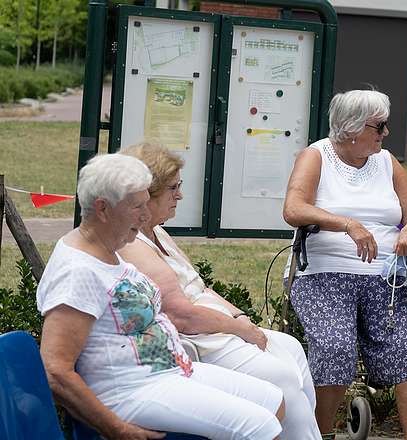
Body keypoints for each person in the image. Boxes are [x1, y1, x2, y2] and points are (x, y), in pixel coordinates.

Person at [37, 153, 285, 440]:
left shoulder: (108, 249)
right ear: (103, 209)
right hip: (128, 391)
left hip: (167, 372)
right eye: (137, 206)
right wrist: (117, 429)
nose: (146, 216)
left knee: (273, 400)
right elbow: (55, 371)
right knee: (260, 426)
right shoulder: (77, 271)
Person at [118, 143, 320, 440]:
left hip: (216, 328)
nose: (180, 195)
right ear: (148, 193)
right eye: (173, 188)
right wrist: (238, 328)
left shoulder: (157, 231)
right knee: (281, 376)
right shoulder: (134, 245)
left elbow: (199, 286)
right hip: (198, 340)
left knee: (291, 348)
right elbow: (180, 316)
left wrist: (239, 316)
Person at [283, 89, 407, 440]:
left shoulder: (387, 162)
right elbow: (293, 209)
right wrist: (347, 224)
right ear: (352, 127)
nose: (385, 133)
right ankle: (317, 435)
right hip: (324, 276)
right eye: (379, 126)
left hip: (384, 278)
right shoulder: (316, 156)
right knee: (334, 347)